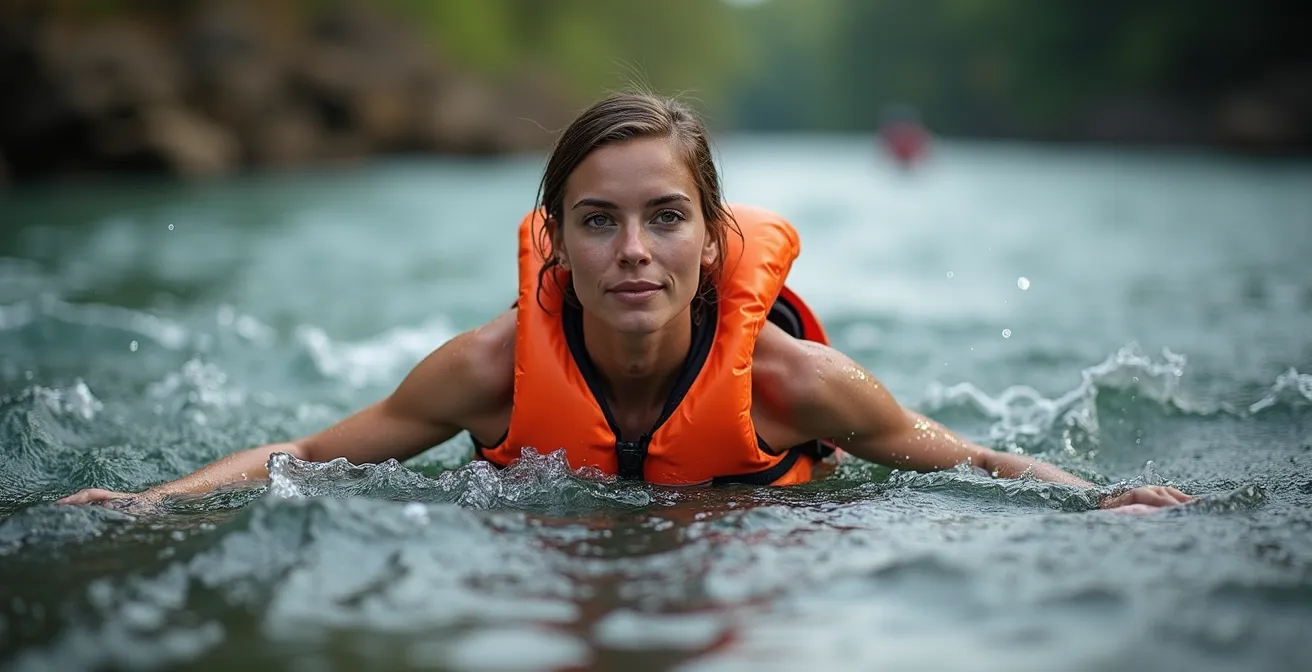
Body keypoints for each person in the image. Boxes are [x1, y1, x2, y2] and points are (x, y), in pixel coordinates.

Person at [58, 92, 1192, 511]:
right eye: (598, 221)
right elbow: (303, 455)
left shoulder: (794, 386)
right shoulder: (489, 372)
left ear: (711, 238)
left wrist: (1104, 502)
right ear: (554, 240)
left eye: (665, 218)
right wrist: (151, 502)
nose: (634, 253)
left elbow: (978, 462)